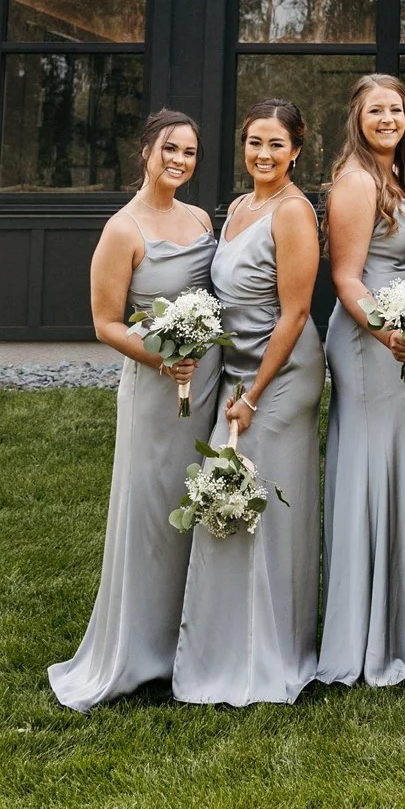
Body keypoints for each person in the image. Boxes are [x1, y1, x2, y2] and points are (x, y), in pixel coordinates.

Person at [49, 110, 219, 710]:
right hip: (156, 389)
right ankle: (139, 654)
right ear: (145, 150)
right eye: (170, 149)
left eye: (191, 153)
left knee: (195, 509)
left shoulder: (200, 218)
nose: (179, 160)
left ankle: (186, 644)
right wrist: (161, 356)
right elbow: (104, 322)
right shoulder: (122, 230)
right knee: (152, 514)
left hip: (207, 384)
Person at [172, 99, 324, 706]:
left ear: (295, 152)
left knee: (264, 507)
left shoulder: (293, 213)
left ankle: (272, 655)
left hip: (280, 374)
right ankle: (221, 648)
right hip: (237, 368)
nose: (264, 154)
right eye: (254, 143)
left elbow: (296, 312)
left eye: (276, 145)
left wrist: (255, 393)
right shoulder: (238, 207)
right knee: (224, 506)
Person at [317, 73, 405, 687]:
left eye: (396, 109)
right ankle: (363, 631)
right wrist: (389, 330)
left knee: (397, 465)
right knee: (370, 468)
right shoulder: (358, 181)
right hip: (370, 342)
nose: (388, 118)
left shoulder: (400, 177)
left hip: (403, 340)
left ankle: (397, 618)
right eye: (375, 110)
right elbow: (346, 277)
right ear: (357, 119)